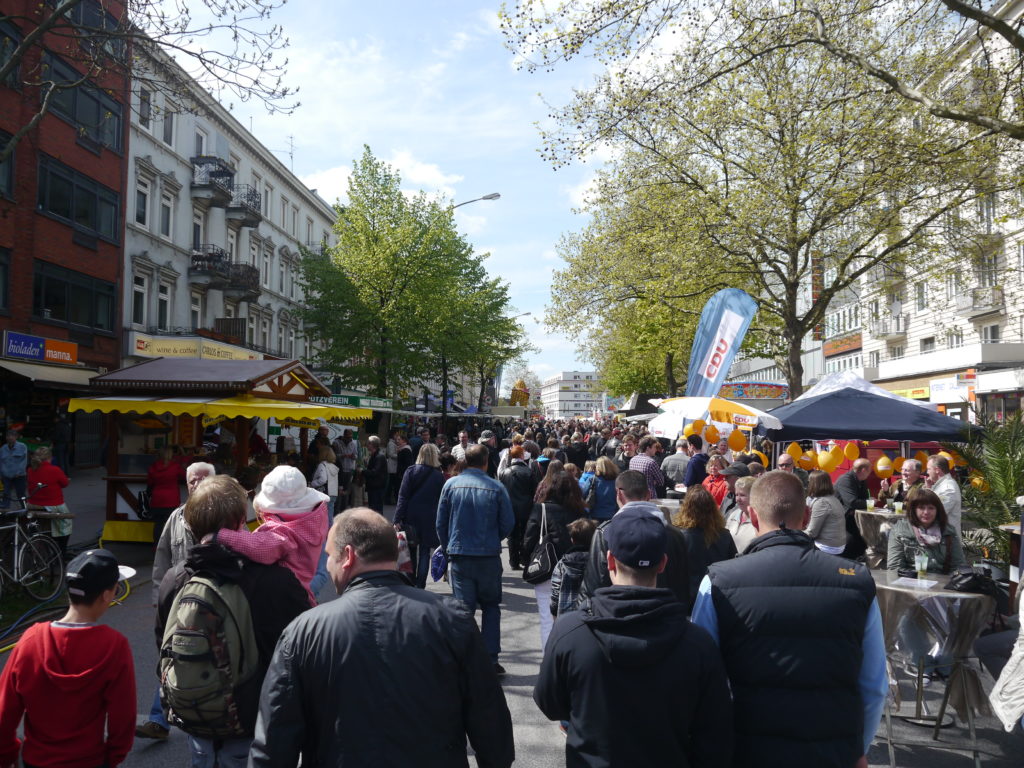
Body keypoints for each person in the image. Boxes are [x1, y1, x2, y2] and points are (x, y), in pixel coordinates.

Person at [250, 509, 515, 767]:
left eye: (329, 556)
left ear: (348, 556)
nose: (328, 565)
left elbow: (275, 737)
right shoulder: (452, 619)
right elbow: (489, 718)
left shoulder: (304, 632)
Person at [691, 471, 888, 768]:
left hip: (746, 749)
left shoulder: (718, 581)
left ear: (753, 516)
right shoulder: (856, 582)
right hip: (832, 749)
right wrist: (856, 747)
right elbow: (874, 684)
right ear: (807, 514)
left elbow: (702, 679)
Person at [534, 506, 733, 767]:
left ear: (609, 560)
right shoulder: (697, 644)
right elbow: (714, 728)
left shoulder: (571, 632)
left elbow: (551, 703)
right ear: (663, 563)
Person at [157, 475, 309, 768]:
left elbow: (162, 644)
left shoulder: (175, 579)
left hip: (195, 713)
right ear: (242, 520)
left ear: (189, 523)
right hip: (252, 721)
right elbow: (299, 655)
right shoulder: (275, 581)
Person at [0, 549, 135, 768]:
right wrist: (112, 757)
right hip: (89, 760)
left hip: (37, 760)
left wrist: (7, 754)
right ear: (107, 595)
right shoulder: (115, 646)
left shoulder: (30, 640)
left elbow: (5, 710)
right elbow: (123, 718)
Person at [137, 461, 215, 741]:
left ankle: (209, 717)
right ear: (186, 483)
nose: (197, 484)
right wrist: (159, 596)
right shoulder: (176, 517)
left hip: (214, 603)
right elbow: (161, 559)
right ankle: (159, 720)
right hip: (178, 604)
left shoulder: (226, 518)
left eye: (204, 479)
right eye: (193, 480)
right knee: (169, 658)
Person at [436, 444, 515, 672]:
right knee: (491, 606)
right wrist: (492, 538)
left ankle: (464, 658)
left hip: (460, 554)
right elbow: (507, 523)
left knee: (463, 610)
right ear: (486, 462)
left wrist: (448, 545)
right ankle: (490, 659)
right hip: (487, 555)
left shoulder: (451, 485)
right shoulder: (496, 487)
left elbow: (440, 522)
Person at [215, 464, 329, 606]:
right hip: (301, 589)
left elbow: (258, 547)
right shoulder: (313, 519)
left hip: (286, 597)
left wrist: (221, 535)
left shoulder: (284, 535)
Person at [579, 470, 691, 605]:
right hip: (664, 616)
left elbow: (592, 587)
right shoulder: (675, 535)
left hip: (615, 614)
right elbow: (682, 585)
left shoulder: (605, 533)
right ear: (649, 494)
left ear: (618, 494)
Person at [523, 461, 586, 649]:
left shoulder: (541, 509)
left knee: (546, 617)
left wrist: (528, 562)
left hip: (547, 567)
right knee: (572, 617)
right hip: (574, 567)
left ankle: (550, 662)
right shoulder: (580, 510)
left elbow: (529, 540)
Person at [671, 485, 737, 611]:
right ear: (712, 508)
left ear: (686, 508)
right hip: (717, 594)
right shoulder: (724, 535)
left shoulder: (679, 536)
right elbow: (733, 565)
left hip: (687, 597)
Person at [393, 442, 445, 588]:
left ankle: (410, 582)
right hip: (430, 517)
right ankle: (421, 584)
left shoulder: (411, 471)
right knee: (424, 551)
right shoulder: (438, 475)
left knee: (410, 550)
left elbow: (402, 497)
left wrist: (397, 518)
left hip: (411, 516)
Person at [886, 488, 965, 575]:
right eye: (921, 508)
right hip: (911, 583)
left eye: (931, 508)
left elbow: (959, 566)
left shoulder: (948, 531)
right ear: (913, 509)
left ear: (937, 510)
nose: (926, 512)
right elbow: (894, 568)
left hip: (942, 584)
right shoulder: (900, 530)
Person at [26, 446, 72, 557]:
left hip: (33, 505)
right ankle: (61, 553)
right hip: (53, 505)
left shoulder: (31, 470)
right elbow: (65, 483)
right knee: (66, 525)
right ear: (49, 458)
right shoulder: (55, 470)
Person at [499, 444, 538, 570]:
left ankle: (514, 561)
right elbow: (534, 491)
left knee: (512, 536)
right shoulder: (528, 472)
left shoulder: (505, 473)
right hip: (526, 508)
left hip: (510, 508)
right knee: (525, 534)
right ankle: (524, 558)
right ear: (521, 456)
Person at [549, 517, 597, 618]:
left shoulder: (563, 563)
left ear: (572, 540)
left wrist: (554, 614)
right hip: (594, 615)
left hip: (567, 617)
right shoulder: (599, 562)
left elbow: (555, 592)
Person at [834, 457, 873, 560]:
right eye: (870, 470)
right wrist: (871, 502)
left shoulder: (862, 481)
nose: (871, 472)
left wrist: (868, 502)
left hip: (854, 516)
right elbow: (852, 502)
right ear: (864, 470)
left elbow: (864, 499)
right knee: (853, 540)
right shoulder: (846, 480)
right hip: (842, 518)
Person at [146, 445, 186, 545]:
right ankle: (171, 547)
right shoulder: (175, 467)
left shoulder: (153, 467)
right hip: (171, 500)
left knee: (158, 525)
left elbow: (150, 483)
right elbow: (186, 476)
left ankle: (157, 547)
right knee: (173, 524)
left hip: (157, 499)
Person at [805, 469, 848, 555]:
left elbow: (812, 533)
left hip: (827, 547)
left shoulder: (822, 503)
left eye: (809, 482)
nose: (808, 485)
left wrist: (793, 533)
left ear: (814, 484)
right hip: (838, 546)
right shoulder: (833, 499)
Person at [925, 454, 963, 535]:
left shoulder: (948, 488)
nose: (927, 472)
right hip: (940, 538)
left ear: (937, 470)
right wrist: (928, 489)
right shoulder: (941, 485)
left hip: (947, 541)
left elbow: (937, 512)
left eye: (928, 469)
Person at [724, 475, 758, 553]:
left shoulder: (761, 519)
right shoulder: (733, 515)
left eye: (742, 495)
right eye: (736, 495)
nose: (738, 499)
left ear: (754, 496)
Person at [629, 435, 665, 500]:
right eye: (654, 447)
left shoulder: (632, 460)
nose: (656, 449)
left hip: (636, 495)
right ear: (648, 448)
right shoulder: (651, 462)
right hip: (649, 497)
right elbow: (661, 481)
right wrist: (652, 481)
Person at [0, 430, 28, 510]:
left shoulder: (22, 446)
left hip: (19, 475)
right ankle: (5, 509)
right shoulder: (2, 449)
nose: (10, 438)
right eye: (8, 436)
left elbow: (24, 460)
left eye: (12, 436)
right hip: (6, 475)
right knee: (6, 493)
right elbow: (0, 463)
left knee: (20, 493)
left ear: (16, 437)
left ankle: (24, 508)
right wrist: (1, 475)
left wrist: (19, 472)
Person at [332, 430, 358, 511]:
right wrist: (343, 456)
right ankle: (337, 509)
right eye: (348, 437)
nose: (349, 439)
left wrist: (354, 456)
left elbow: (356, 455)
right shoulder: (336, 442)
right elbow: (332, 455)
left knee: (346, 491)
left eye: (351, 437)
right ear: (344, 435)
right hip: (339, 470)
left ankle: (344, 509)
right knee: (338, 490)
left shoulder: (353, 443)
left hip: (349, 469)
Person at [587, 455, 619, 521]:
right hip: (612, 514)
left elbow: (583, 493)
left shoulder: (592, 480)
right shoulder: (618, 480)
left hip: (595, 515)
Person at [311, 445, 340, 515]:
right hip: (333, 493)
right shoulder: (333, 466)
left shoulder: (322, 465)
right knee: (330, 514)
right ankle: (330, 526)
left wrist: (313, 483)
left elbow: (323, 479)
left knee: (322, 515)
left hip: (324, 493)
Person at [363, 435, 388, 513]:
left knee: (376, 509)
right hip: (373, 486)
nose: (366, 444)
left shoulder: (379, 456)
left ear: (372, 444)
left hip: (377, 487)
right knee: (373, 508)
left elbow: (375, 472)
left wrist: (363, 471)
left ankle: (378, 524)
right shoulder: (374, 455)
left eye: (368, 443)